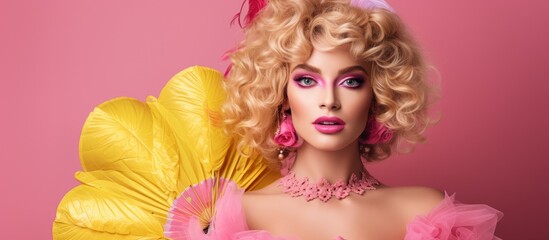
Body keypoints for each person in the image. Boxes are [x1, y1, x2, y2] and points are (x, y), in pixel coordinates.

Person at [53, 0, 502, 239]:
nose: (328, 100)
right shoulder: (234, 219)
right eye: (307, 81)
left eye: (350, 82)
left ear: (378, 93)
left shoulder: (429, 215)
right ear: (281, 94)